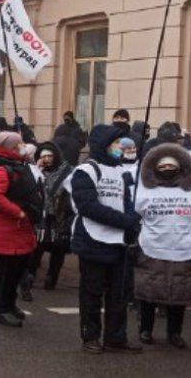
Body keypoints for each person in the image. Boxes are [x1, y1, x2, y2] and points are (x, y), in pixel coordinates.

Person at [70, 124, 142, 354]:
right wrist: (123, 220)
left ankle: (116, 337)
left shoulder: (123, 171)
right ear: (103, 144)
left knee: (119, 293)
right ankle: (90, 336)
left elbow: (129, 201)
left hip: (120, 242)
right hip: (93, 240)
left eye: (121, 143)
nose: (120, 147)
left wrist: (132, 220)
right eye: (116, 143)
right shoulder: (85, 171)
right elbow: (88, 206)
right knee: (91, 293)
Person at [133, 143, 191, 347]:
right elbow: (135, 219)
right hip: (151, 248)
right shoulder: (144, 192)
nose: (167, 170)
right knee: (149, 292)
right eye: (162, 167)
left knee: (179, 295)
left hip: (184, 249)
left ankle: (175, 333)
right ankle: (145, 330)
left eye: (171, 167)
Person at [0, 131, 39, 328]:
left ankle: (10, 304)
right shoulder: (3, 170)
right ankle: (0, 310)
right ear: (11, 148)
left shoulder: (18, 165)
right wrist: (18, 212)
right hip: (7, 229)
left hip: (19, 229)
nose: (23, 146)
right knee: (4, 272)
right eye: (19, 144)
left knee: (16, 271)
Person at [27, 142, 74, 293]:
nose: (47, 159)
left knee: (58, 250)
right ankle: (30, 276)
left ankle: (51, 279)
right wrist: (37, 171)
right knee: (37, 249)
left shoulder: (67, 171)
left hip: (60, 216)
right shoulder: (34, 171)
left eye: (50, 156)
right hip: (41, 216)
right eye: (44, 156)